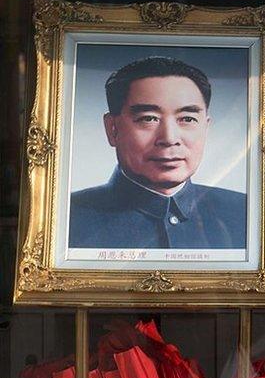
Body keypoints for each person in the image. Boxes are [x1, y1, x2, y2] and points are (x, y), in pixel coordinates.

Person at [69, 56, 246, 249]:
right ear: (112, 129)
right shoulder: (64, 218)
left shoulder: (246, 213)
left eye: (187, 119)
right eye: (149, 119)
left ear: (206, 127)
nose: (169, 138)